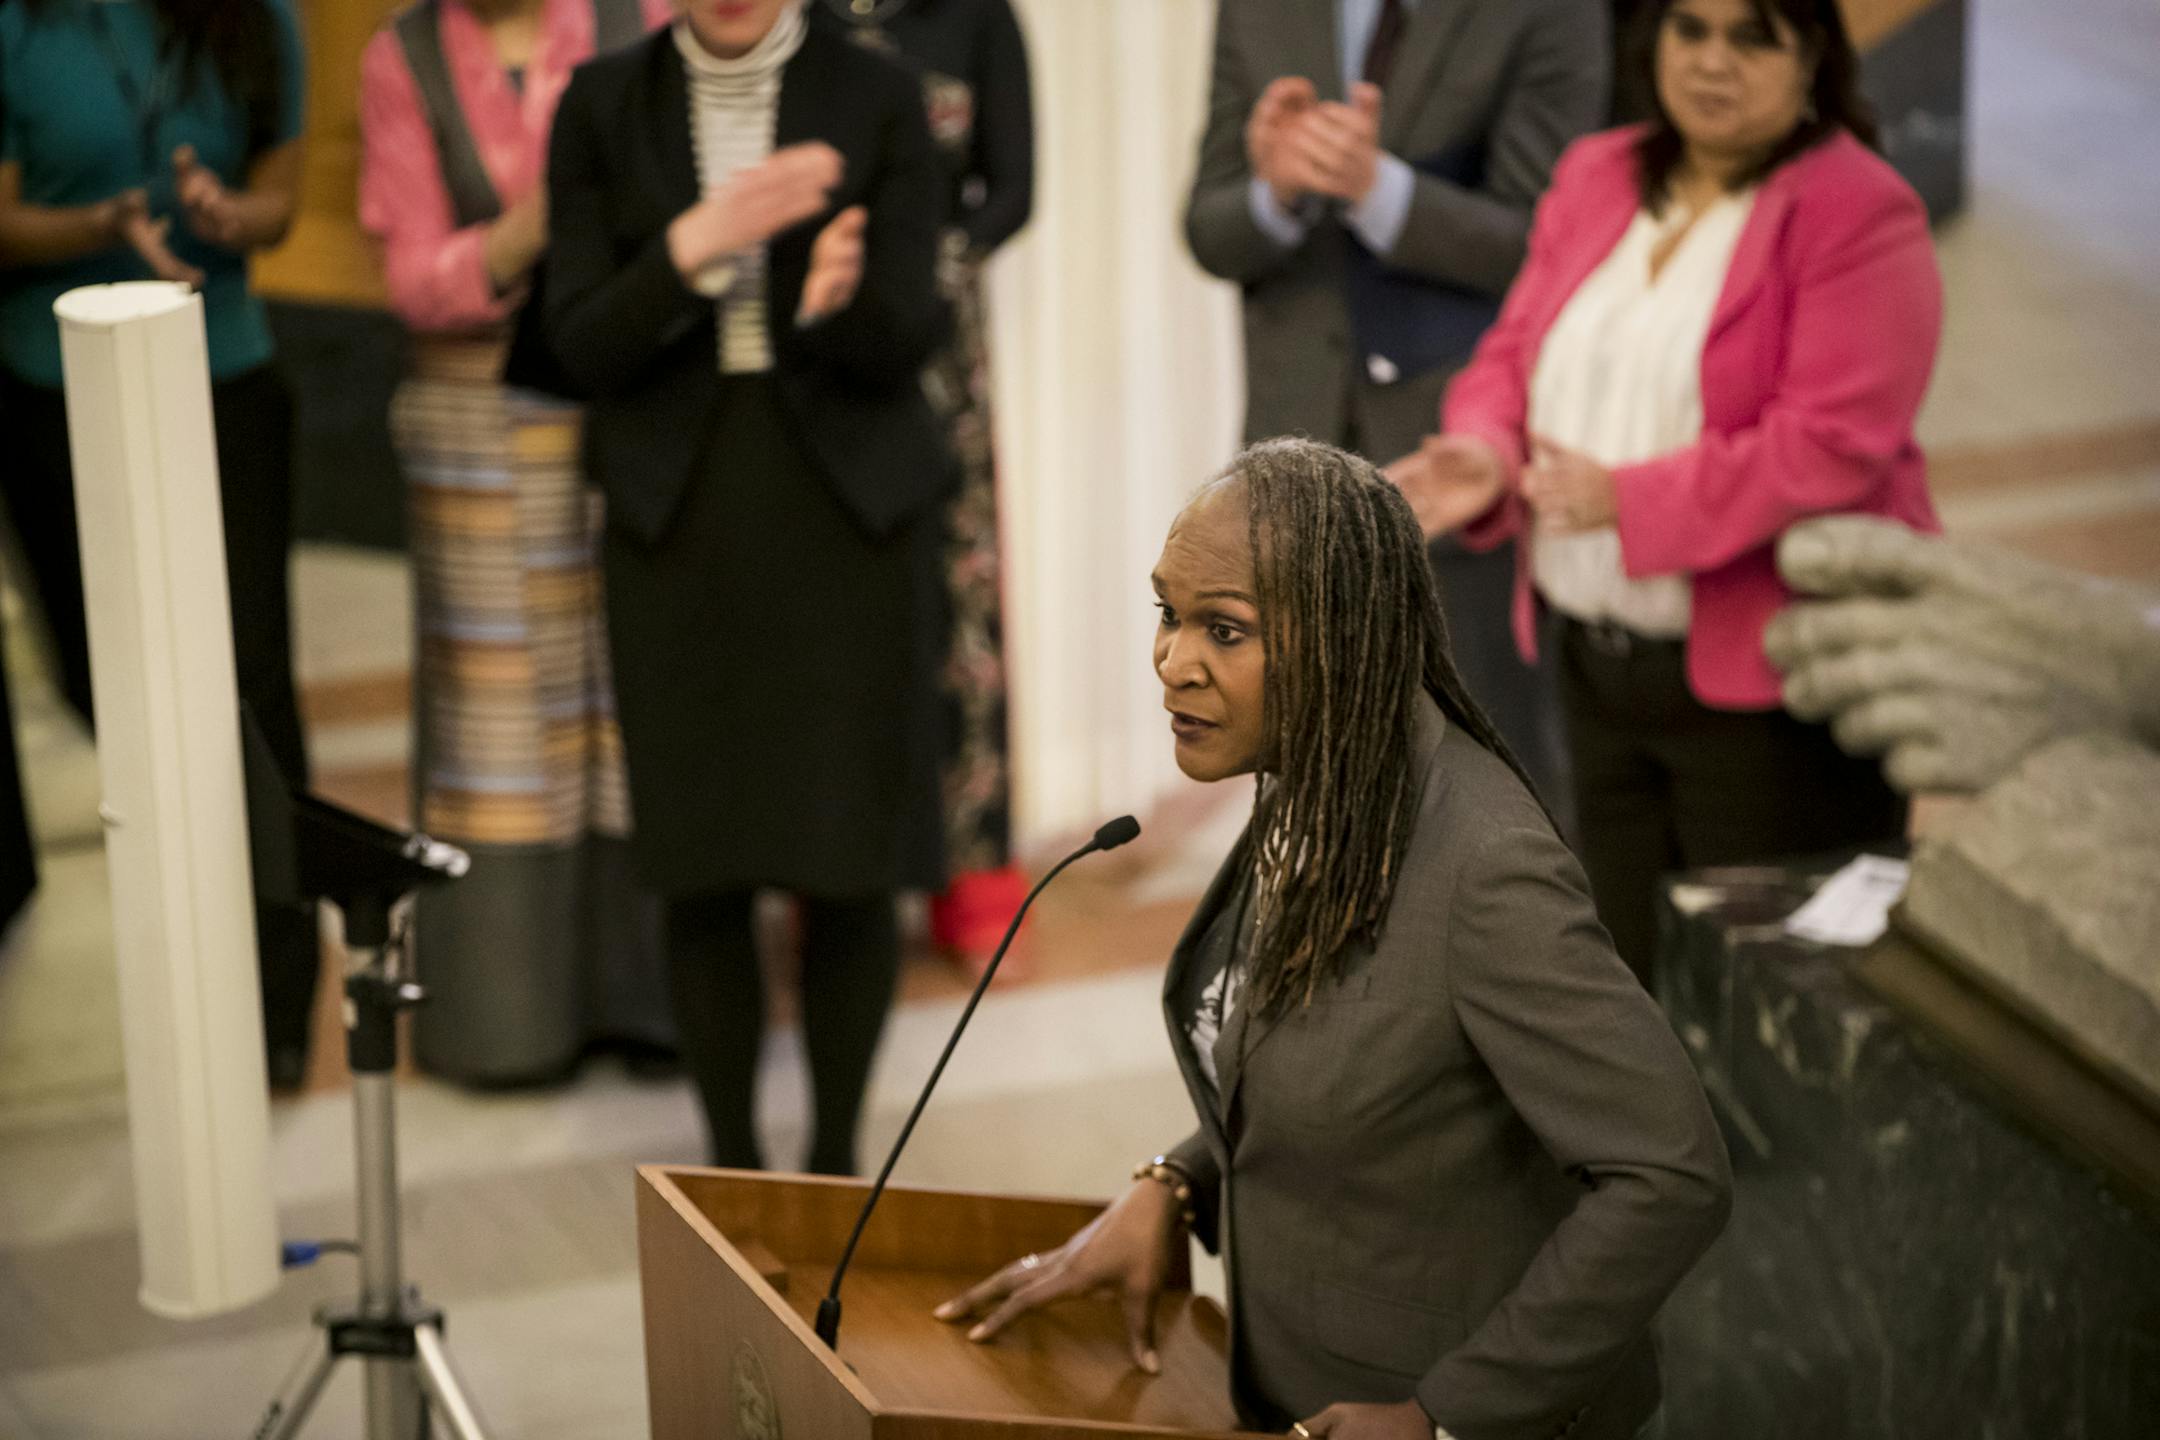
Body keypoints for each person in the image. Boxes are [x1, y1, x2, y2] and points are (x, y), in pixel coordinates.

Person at [939, 441, 1731, 1440]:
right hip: (1288, 1390)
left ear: (1342, 639)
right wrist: (1177, 1181)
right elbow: (1343, 1058)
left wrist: (1444, 1415)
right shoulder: (1315, 772)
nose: (1173, 662)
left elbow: (1671, 1174)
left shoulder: (1487, 868)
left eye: (1224, 630)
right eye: (1168, 615)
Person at [1392, 0, 1943, 985]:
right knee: (1625, 991)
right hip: (1597, 672)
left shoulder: (1861, 209)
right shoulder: (1599, 172)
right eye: (1691, 30)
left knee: (1757, 1009)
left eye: (1752, 37)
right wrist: (1484, 448)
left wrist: (1628, 501)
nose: (1712, 63)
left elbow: (1830, 447)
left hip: (1773, 696)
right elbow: (1514, 352)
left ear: (1814, 52)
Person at [540, 0, 952, 1173]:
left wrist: (834, 304)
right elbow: (579, 344)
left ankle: (830, 1165)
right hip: (679, 513)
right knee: (703, 857)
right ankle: (731, 1168)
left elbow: (910, 329)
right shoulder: (601, 103)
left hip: (846, 515)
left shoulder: (876, 93)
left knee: (848, 855)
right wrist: (694, 246)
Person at [1183, 0, 1612, 821]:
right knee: (1310, 794)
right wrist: (1273, 192)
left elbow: (1554, 242)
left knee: (1486, 794)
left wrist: (1382, 194)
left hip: (1455, 456)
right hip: (1290, 454)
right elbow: (1208, 226)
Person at [358, 0, 675, 1084]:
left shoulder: (646, 19)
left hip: (634, 405)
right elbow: (415, 280)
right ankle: (512, 1025)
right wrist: (541, 220)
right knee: (503, 728)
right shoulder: (400, 57)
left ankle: (655, 1009)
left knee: (639, 703)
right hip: (475, 422)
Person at [0, 0, 316, 1084]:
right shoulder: (21, 26)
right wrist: (99, 223)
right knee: (113, 692)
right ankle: (175, 984)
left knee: (253, 689)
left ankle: (275, 1004)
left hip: (222, 368)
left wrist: (231, 216)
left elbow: (284, 197)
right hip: (55, 386)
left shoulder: (255, 19)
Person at [810, 0, 1033, 975]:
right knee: (828, 606)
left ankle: (973, 882)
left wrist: (920, 264)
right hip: (814, 339)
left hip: (941, 348)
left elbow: (1013, 190)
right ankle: (832, 878)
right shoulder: (792, 16)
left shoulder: (978, 15)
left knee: (961, 602)